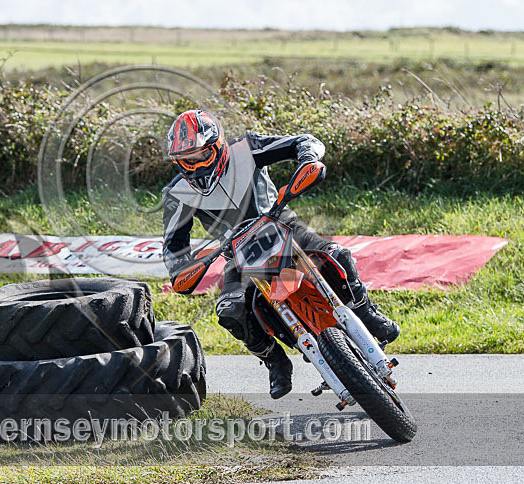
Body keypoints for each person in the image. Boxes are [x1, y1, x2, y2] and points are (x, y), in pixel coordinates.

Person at [162, 109, 400, 399]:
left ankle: (367, 313)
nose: (196, 165)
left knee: (338, 254)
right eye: (187, 160)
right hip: (236, 253)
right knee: (229, 310)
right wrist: (180, 269)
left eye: (202, 156)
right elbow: (173, 245)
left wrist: (308, 160)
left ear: (218, 146)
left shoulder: (245, 149)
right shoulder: (176, 194)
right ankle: (275, 362)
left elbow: (302, 141)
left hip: (281, 223)